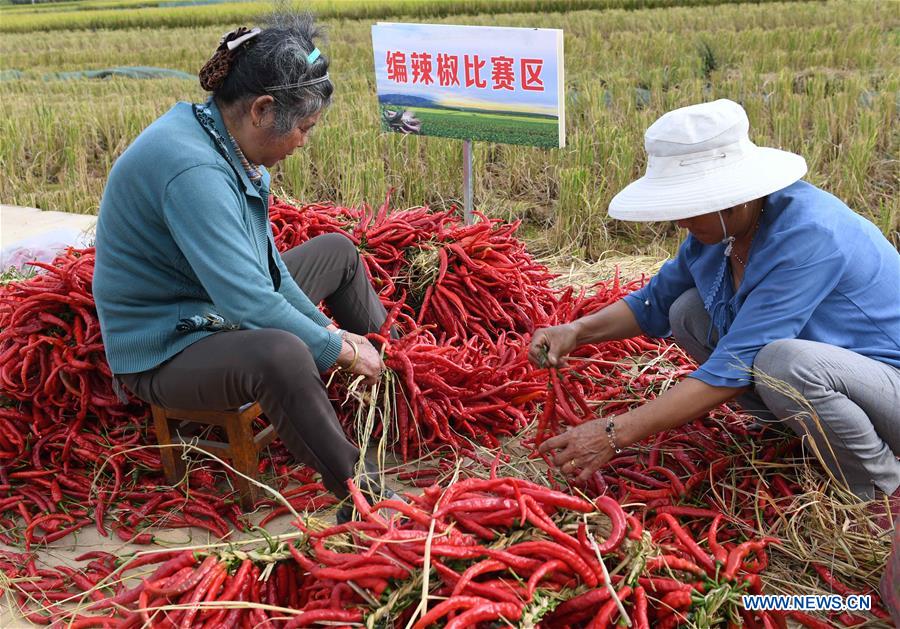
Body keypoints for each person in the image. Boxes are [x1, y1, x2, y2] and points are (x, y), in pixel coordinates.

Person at [92, 13, 396, 511]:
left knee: (337, 251)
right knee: (283, 353)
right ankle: (356, 485)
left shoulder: (229, 144)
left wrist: (329, 329)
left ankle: (400, 375)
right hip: (170, 341)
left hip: (214, 306)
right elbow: (247, 297)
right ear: (261, 109)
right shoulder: (193, 169)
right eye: (303, 128)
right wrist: (333, 348)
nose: (303, 141)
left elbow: (268, 267)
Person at [531, 99, 900, 506]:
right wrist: (577, 330)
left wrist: (615, 433)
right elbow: (653, 303)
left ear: (734, 198)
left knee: (783, 363)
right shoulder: (721, 235)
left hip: (889, 385)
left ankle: (879, 487)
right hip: (844, 381)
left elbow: (736, 364)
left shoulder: (809, 236)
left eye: (689, 207)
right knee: (686, 312)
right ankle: (805, 437)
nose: (679, 221)